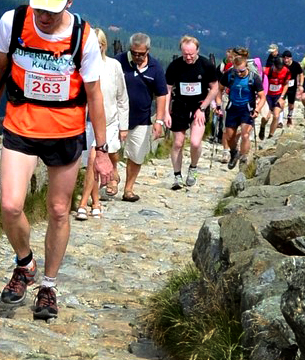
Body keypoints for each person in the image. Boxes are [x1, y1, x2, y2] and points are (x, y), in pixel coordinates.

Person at [0, 0, 113, 321]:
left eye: (51, 11)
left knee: (58, 210)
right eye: (39, 8)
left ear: (68, 3)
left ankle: (49, 286)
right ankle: (25, 263)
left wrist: (102, 150)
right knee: (10, 205)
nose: (43, 16)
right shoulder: (13, 22)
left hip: (65, 131)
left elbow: (94, 95)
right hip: (21, 124)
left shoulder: (83, 37)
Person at [75, 27, 128, 220]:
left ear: (104, 46)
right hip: (85, 122)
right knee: (91, 163)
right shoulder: (80, 65)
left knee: (93, 158)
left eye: (99, 45)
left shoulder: (114, 66)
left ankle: (83, 203)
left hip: (109, 123)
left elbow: (122, 97)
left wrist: (123, 126)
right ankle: (96, 203)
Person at [116, 33, 169, 203]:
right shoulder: (119, 62)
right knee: (111, 150)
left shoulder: (155, 67)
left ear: (148, 51)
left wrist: (159, 121)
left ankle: (128, 189)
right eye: (134, 53)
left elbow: (161, 94)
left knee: (137, 155)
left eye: (141, 54)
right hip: (117, 116)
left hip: (142, 118)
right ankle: (112, 178)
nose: (137, 56)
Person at [164, 35, 220, 189]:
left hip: (199, 105)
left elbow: (214, 88)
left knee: (195, 142)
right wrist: (166, 112)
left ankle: (193, 168)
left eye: (191, 54)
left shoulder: (206, 65)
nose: (188, 57)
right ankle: (177, 176)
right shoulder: (175, 66)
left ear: (197, 51)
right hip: (180, 105)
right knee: (178, 143)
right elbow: (167, 90)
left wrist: (203, 108)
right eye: (185, 54)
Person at [218, 52, 264, 169]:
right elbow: (219, 89)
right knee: (229, 136)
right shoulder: (229, 75)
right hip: (233, 108)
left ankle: (243, 158)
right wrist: (218, 104)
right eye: (237, 70)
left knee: (245, 134)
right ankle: (234, 152)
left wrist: (257, 109)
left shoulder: (254, 78)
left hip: (247, 109)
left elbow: (262, 96)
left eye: (242, 71)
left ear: (246, 66)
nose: (239, 73)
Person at [258, 56, 290, 140]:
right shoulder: (268, 71)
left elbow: (286, 84)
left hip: (278, 95)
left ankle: (270, 136)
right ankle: (262, 126)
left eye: (280, 69)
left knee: (276, 115)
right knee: (266, 117)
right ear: (274, 66)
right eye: (277, 68)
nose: (279, 70)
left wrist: (282, 97)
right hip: (268, 95)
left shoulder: (286, 71)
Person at [281, 50, 302, 125]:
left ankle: (289, 116)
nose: (286, 60)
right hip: (283, 87)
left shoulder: (296, 65)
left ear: (291, 58)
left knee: (291, 104)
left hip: (292, 87)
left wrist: (300, 85)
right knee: (281, 102)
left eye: (287, 58)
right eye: (284, 58)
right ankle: (280, 121)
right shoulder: (281, 65)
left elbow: (301, 74)